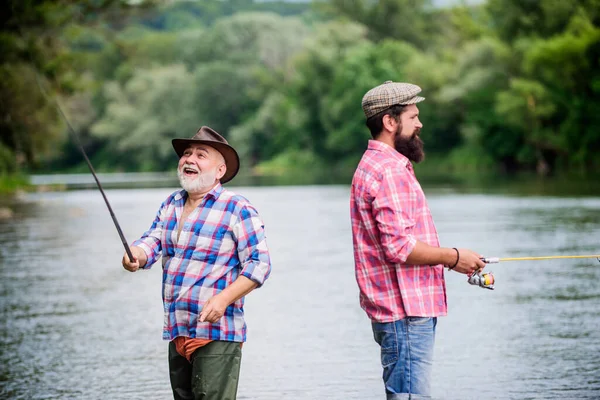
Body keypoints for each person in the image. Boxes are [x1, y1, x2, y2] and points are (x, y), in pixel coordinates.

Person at [350, 81, 486, 399]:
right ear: (390, 122)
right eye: (413, 116)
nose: (420, 123)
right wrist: (454, 257)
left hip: (396, 311)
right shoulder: (389, 171)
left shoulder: (373, 166)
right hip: (405, 312)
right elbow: (399, 247)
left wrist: (452, 258)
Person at [122, 126, 271, 400]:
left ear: (219, 171)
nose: (189, 159)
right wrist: (136, 254)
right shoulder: (171, 204)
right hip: (177, 329)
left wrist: (223, 299)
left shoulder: (237, 208)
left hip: (217, 332)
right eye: (186, 154)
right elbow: (152, 241)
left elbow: (259, 264)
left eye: (201, 155)